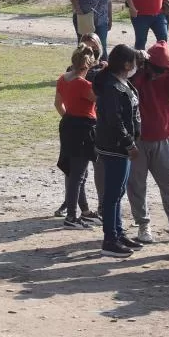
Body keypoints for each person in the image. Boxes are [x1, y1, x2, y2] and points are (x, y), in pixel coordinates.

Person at [93, 44, 145, 258]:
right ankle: (110, 239)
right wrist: (129, 144)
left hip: (121, 147)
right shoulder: (112, 88)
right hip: (116, 148)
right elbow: (114, 120)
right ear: (126, 64)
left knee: (118, 192)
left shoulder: (122, 83)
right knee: (113, 194)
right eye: (133, 62)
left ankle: (118, 232)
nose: (136, 66)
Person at [127, 41, 169, 243]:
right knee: (136, 185)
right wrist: (138, 65)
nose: (159, 73)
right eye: (157, 69)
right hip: (138, 140)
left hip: (164, 138)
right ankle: (143, 225)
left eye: (163, 69)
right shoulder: (136, 74)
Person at [54, 44, 100, 229]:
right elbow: (99, 99)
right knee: (78, 174)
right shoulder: (84, 84)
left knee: (76, 172)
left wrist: (68, 116)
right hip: (83, 128)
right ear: (87, 65)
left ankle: (85, 211)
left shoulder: (62, 79)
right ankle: (71, 217)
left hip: (68, 125)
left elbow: (58, 104)